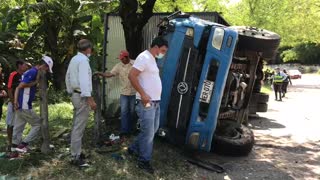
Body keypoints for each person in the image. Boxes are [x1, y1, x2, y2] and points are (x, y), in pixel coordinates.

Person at [127, 36, 168, 174]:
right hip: (146, 102)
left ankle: (133, 148)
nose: (163, 53)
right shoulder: (144, 57)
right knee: (149, 132)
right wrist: (143, 94)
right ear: (156, 46)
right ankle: (143, 161)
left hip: (155, 102)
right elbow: (132, 75)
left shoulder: (152, 59)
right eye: (162, 50)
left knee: (152, 131)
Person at [12, 56, 53, 153]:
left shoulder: (33, 72)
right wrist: (34, 82)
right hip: (24, 105)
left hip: (20, 104)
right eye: (47, 68)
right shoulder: (33, 72)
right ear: (44, 66)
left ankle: (14, 149)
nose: (46, 71)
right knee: (38, 124)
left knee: (19, 126)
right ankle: (23, 144)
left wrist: (15, 101)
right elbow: (20, 86)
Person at [65, 39, 97, 167]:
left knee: (77, 125)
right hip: (82, 96)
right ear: (88, 49)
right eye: (91, 49)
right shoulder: (83, 61)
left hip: (75, 94)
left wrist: (70, 91)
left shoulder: (74, 59)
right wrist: (90, 99)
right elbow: (84, 81)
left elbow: (67, 76)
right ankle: (75, 156)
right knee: (79, 127)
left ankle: (76, 152)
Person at [95, 50, 136, 137]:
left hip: (134, 93)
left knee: (133, 112)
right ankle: (124, 131)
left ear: (127, 57)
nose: (121, 60)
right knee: (124, 112)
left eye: (122, 58)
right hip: (124, 93)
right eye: (120, 59)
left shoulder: (135, 63)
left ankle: (132, 129)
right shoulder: (118, 66)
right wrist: (100, 73)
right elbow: (110, 74)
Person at [6, 60, 29, 151]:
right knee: (10, 123)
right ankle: (10, 142)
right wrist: (13, 102)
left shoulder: (26, 75)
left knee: (19, 124)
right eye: (25, 65)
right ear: (19, 65)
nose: (26, 66)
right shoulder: (13, 75)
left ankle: (17, 142)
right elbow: (9, 89)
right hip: (13, 103)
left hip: (23, 103)